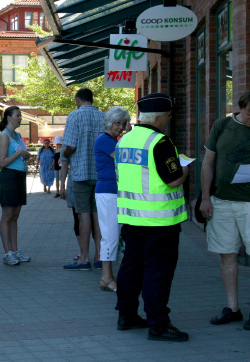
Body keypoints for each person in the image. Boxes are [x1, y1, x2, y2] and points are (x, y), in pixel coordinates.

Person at [115, 93, 190, 342]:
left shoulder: (124, 140)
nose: (169, 120)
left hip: (131, 218)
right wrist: (186, 168)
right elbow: (173, 179)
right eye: (168, 116)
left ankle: (126, 316)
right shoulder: (160, 142)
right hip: (160, 221)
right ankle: (158, 323)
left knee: (131, 267)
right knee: (158, 271)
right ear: (158, 117)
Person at [200, 90, 250, 328]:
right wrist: (206, 198)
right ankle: (233, 308)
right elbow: (207, 163)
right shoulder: (222, 125)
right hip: (223, 202)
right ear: (241, 108)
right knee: (227, 255)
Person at [59, 88, 105, 271]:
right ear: (91, 100)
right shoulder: (104, 117)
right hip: (100, 174)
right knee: (98, 216)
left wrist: (65, 153)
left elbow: (70, 145)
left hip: (80, 174)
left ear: (78, 99)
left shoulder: (75, 116)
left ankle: (84, 258)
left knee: (83, 216)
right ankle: (100, 256)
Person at [94, 107, 130, 292]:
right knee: (110, 236)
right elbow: (123, 159)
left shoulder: (110, 140)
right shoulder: (105, 140)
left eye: (123, 124)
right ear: (109, 122)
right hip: (108, 192)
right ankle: (106, 277)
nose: (121, 127)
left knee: (112, 235)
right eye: (118, 123)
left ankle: (107, 277)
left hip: (112, 192)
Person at [0, 106, 32, 266]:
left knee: (15, 215)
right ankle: (7, 252)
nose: (20, 118)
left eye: (20, 116)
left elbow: (18, 155)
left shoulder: (17, 135)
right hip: (9, 177)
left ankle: (15, 250)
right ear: (9, 117)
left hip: (19, 176)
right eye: (18, 115)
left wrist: (25, 156)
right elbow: (2, 162)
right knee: (7, 215)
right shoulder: (4, 136)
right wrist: (18, 154)